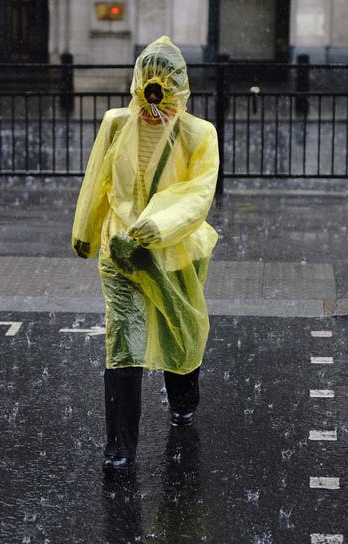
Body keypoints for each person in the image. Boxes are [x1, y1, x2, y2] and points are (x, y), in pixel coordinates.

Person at [71, 36, 219, 473]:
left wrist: (158, 226)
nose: (154, 93)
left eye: (163, 83)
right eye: (148, 81)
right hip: (119, 251)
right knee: (124, 341)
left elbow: (198, 194)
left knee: (180, 329)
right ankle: (119, 445)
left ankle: (184, 396)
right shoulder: (117, 123)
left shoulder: (198, 134)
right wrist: (85, 230)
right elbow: (98, 177)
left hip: (174, 253)